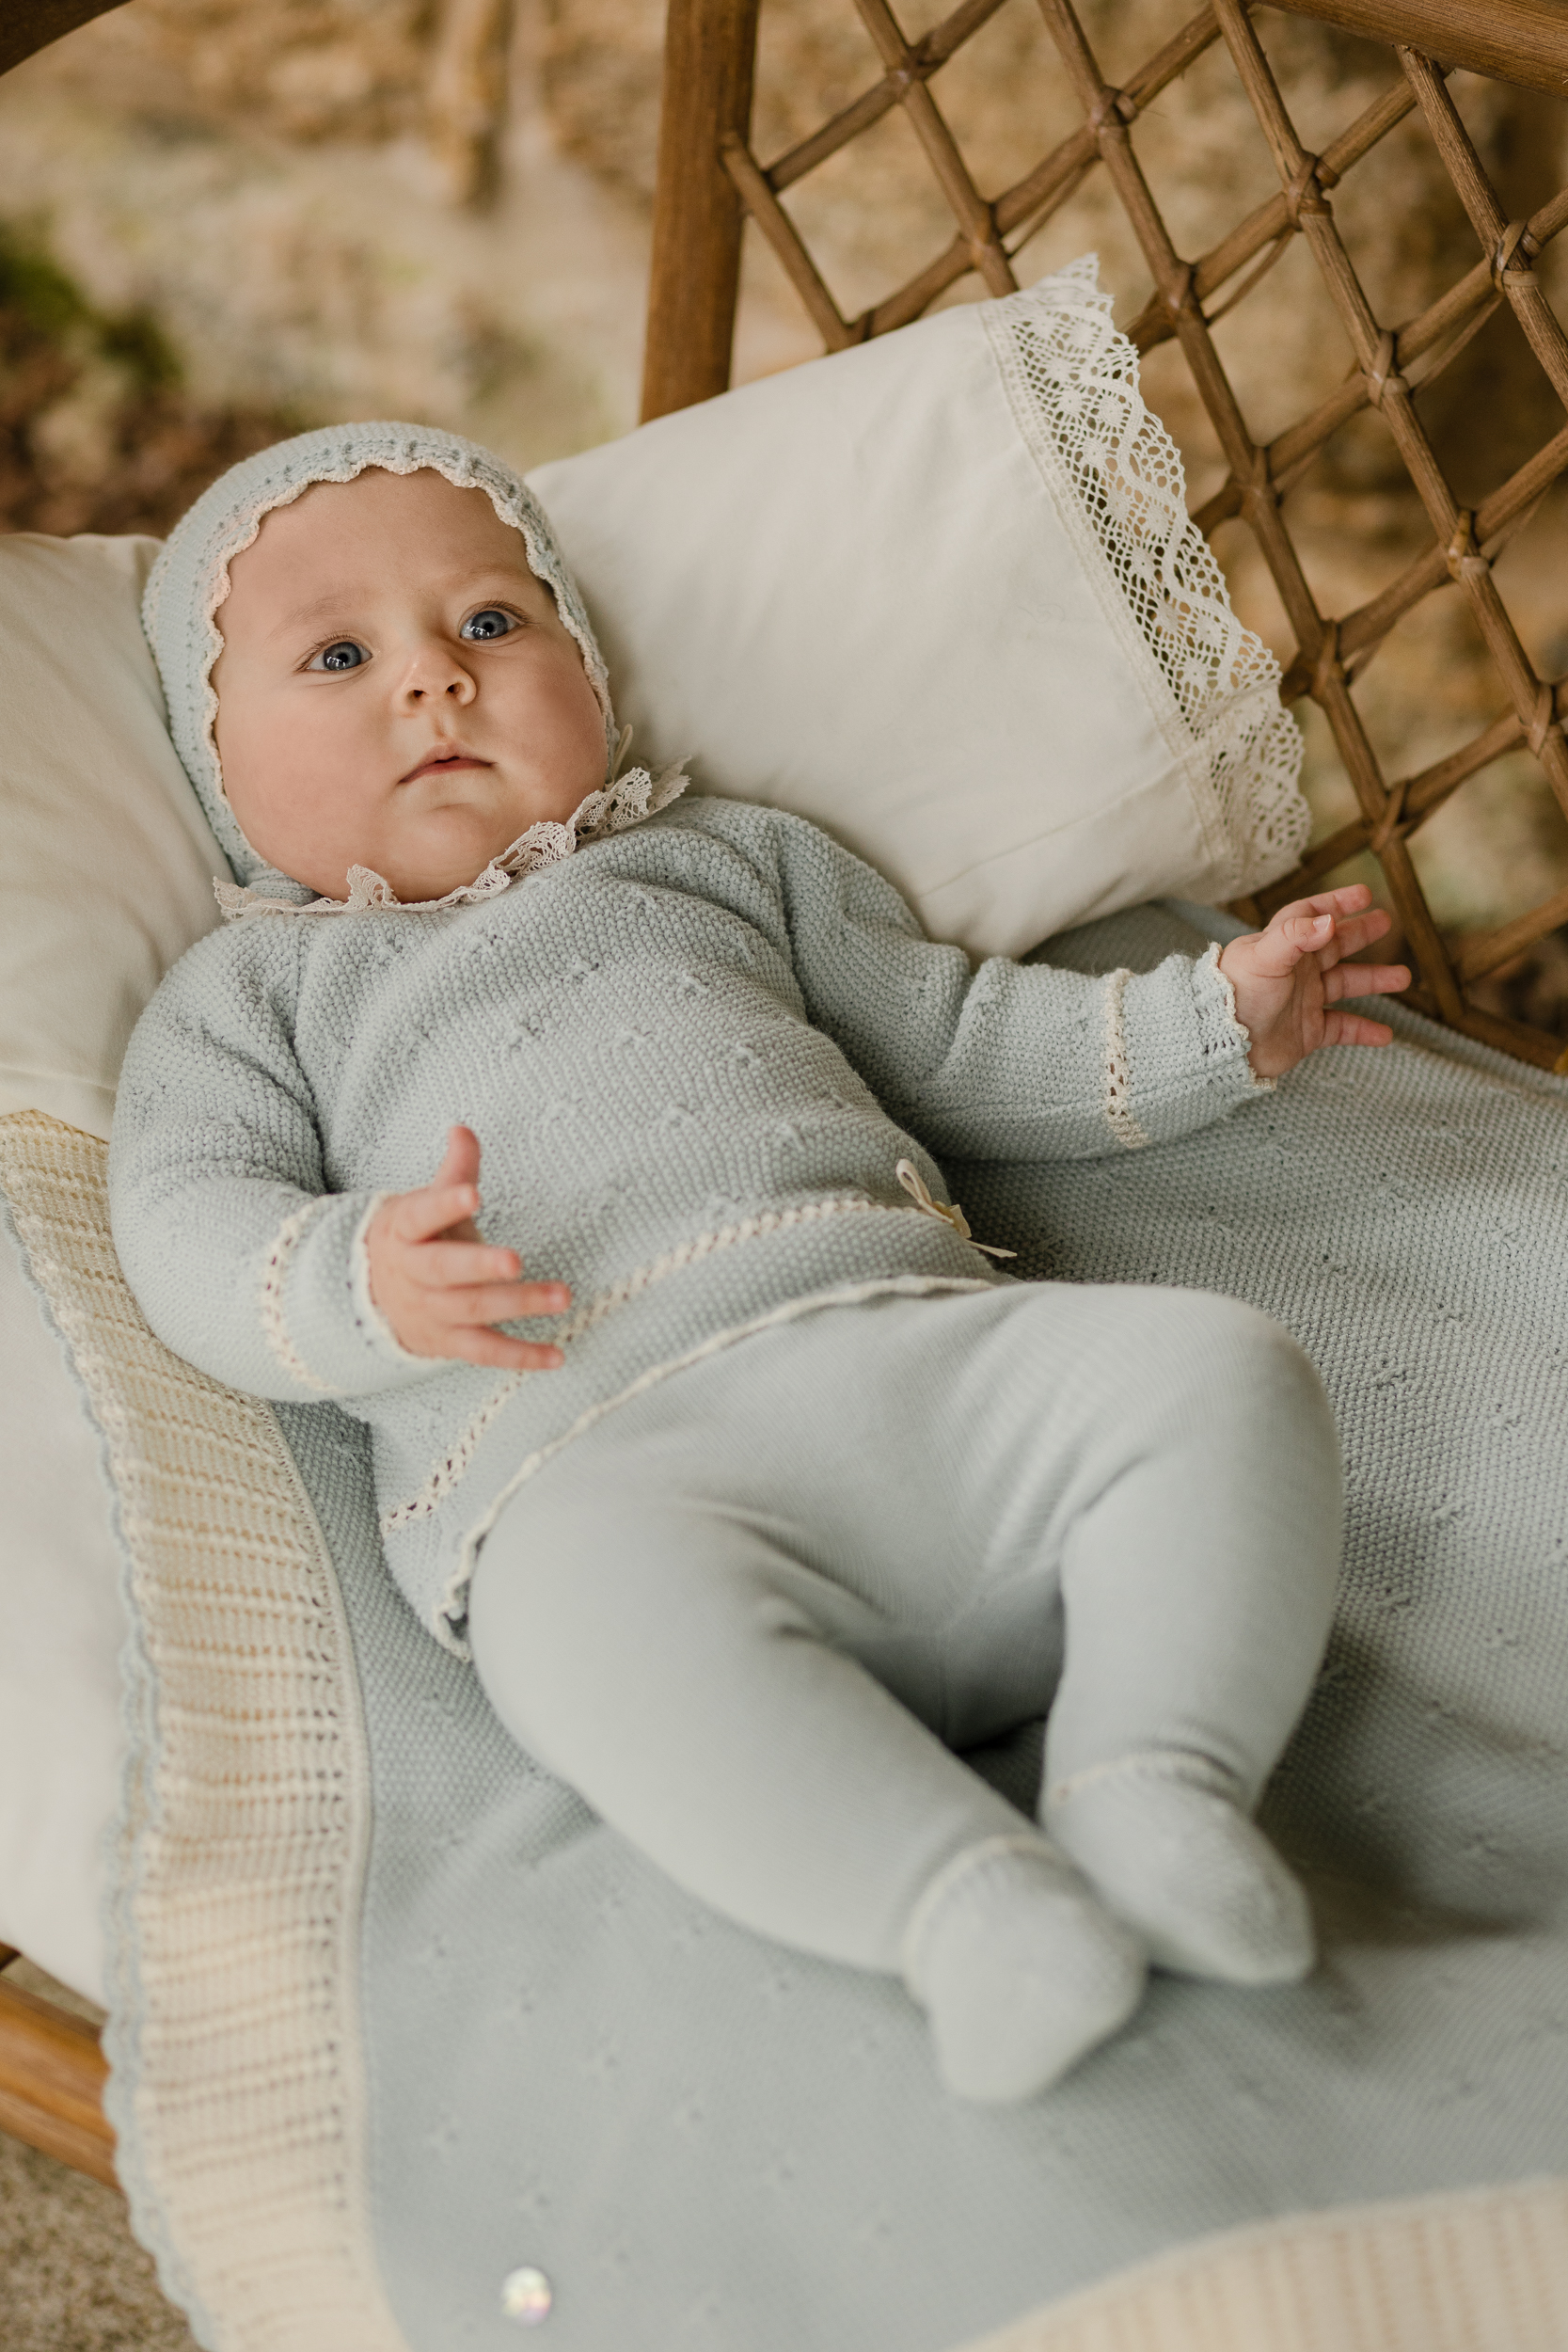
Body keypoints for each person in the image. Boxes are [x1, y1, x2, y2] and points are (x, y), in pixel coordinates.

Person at [111, 423, 1409, 2103]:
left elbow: (958, 1039)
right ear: (217, 764)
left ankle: (1153, 1781)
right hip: (607, 1467)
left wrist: (1210, 1024)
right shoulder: (259, 998)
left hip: (917, 1364)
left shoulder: (725, 859)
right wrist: (358, 1284)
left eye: (492, 625)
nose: (433, 681)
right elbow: (185, 1225)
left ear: (588, 665)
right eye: (341, 657)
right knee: (569, 1630)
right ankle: (964, 1907)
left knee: (1222, 1373)